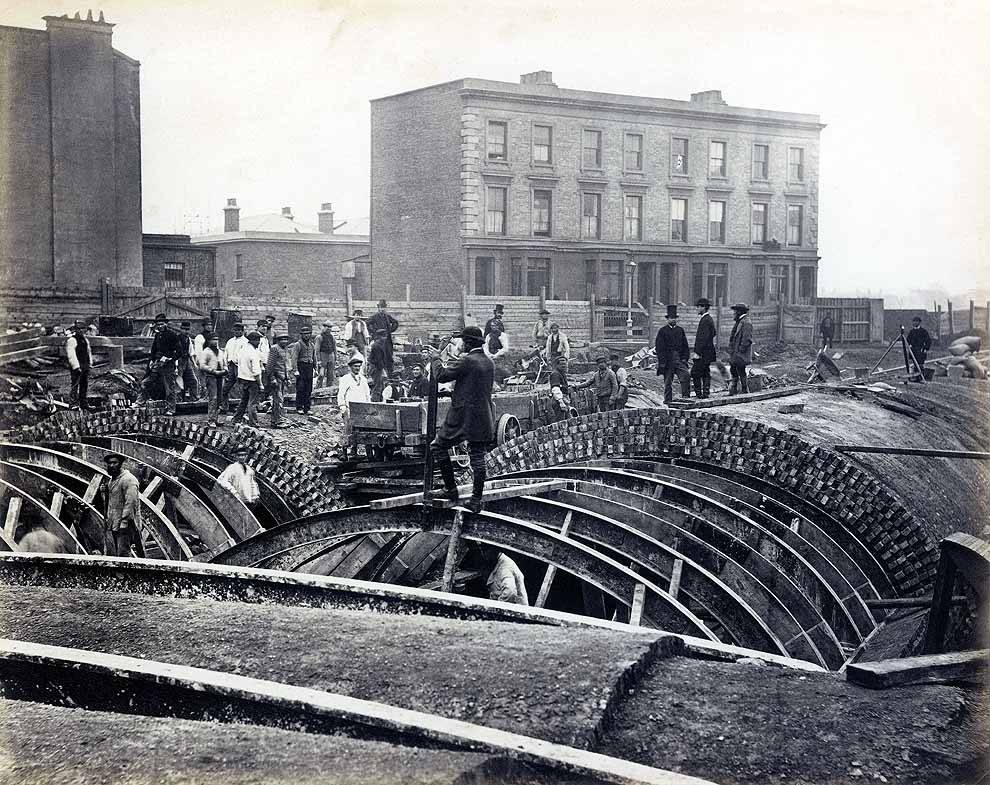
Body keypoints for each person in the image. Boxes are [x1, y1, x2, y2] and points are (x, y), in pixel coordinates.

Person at [424, 326, 494, 514]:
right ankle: (476, 500)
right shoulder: (488, 362)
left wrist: (436, 357)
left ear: (468, 343)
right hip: (483, 416)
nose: (460, 343)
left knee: (437, 446)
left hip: (463, 416)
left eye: (462, 340)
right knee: (478, 458)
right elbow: (473, 384)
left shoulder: (467, 361)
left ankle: (450, 489)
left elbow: (441, 375)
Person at [135, 313, 184, 415]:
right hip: (157, 365)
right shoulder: (157, 335)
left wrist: (170, 358)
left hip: (168, 366)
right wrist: (152, 360)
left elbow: (180, 352)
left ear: (166, 324)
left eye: (162, 324)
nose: (160, 326)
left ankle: (171, 409)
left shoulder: (172, 335)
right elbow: (153, 350)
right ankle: (140, 402)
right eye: (158, 324)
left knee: (169, 387)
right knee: (145, 383)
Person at [103, 452, 144, 558]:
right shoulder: (113, 480)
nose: (111, 465)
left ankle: (124, 574)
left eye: (114, 463)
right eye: (109, 463)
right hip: (115, 522)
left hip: (126, 523)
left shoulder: (128, 479)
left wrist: (124, 521)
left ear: (120, 464)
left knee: (123, 552)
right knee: (118, 549)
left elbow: (130, 502)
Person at [654, 305, 691, 404]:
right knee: (668, 382)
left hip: (678, 359)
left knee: (686, 376)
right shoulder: (662, 331)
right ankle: (668, 400)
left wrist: (684, 358)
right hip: (667, 361)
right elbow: (659, 348)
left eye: (674, 318)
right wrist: (662, 361)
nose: (673, 320)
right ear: (667, 319)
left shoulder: (680, 330)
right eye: (671, 318)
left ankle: (685, 397)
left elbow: (685, 346)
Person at [337, 354, 371, 459]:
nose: (357, 368)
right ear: (350, 367)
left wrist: (368, 407)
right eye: (355, 366)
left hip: (361, 409)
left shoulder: (363, 379)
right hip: (349, 409)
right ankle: (344, 452)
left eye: (359, 366)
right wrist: (342, 406)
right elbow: (341, 394)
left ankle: (355, 451)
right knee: (348, 430)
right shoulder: (345, 379)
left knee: (359, 431)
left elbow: (367, 394)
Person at [229, 330, 263, 427]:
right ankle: (254, 423)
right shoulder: (253, 353)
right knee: (253, 403)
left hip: (242, 379)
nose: (259, 342)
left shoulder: (242, 349)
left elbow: (235, 361)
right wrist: (260, 384)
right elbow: (256, 372)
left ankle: (236, 419)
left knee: (244, 401)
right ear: (253, 341)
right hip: (252, 381)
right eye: (258, 340)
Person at [691, 298, 717, 400]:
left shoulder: (705, 320)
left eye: (698, 307)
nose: (697, 309)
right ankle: (705, 393)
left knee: (695, 372)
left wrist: (698, 352)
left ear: (703, 307)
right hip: (708, 351)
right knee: (705, 371)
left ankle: (699, 394)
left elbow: (703, 338)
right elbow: (713, 333)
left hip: (703, 353)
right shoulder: (708, 319)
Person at [197, 333, 225, 426]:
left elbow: (224, 362)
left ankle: (216, 418)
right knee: (213, 398)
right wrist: (212, 371)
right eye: (213, 339)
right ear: (208, 341)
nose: (215, 341)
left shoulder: (220, 352)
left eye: (216, 339)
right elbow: (202, 365)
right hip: (211, 376)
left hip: (220, 376)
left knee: (219, 398)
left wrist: (225, 369)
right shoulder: (206, 352)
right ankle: (211, 420)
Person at [289, 324, 318, 414]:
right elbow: (294, 358)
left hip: (309, 367)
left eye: (308, 334)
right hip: (301, 367)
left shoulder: (312, 345)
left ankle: (307, 408)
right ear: (301, 335)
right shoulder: (298, 345)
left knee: (308, 388)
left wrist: (315, 368)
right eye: (305, 334)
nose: (307, 335)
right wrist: (295, 370)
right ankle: (299, 407)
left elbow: (314, 357)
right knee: (301, 388)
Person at [220, 323, 247, 414]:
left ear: (242, 331)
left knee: (242, 388)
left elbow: (244, 356)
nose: (237, 332)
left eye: (239, 330)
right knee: (226, 388)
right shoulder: (230, 341)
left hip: (240, 366)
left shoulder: (245, 342)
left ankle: (242, 408)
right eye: (235, 330)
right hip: (230, 366)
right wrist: (225, 364)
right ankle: (224, 407)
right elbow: (226, 353)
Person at [65, 320, 92, 411]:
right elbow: (71, 355)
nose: (82, 331)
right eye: (80, 329)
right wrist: (76, 367)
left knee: (84, 385)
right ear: (76, 330)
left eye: (84, 329)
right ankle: (73, 404)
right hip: (77, 367)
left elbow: (88, 352)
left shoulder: (85, 340)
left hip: (85, 366)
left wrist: (90, 363)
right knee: (75, 385)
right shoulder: (72, 340)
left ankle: (83, 403)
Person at [728, 303, 754, 395]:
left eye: (735, 311)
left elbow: (747, 339)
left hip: (740, 352)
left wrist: (740, 351)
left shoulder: (746, 322)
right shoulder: (740, 321)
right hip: (735, 351)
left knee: (741, 370)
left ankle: (744, 390)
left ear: (739, 311)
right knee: (733, 369)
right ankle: (734, 389)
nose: (734, 313)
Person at [367, 300, 399, 372]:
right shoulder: (375, 317)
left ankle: (390, 372)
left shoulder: (387, 316)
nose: (382, 309)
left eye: (383, 307)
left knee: (389, 355)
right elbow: (367, 323)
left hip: (387, 339)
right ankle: (381, 371)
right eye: (381, 307)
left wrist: (390, 330)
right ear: (378, 308)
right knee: (380, 355)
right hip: (379, 339)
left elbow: (395, 323)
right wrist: (374, 331)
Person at [267, 333, 291, 428]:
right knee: (277, 400)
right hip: (276, 378)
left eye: (286, 339)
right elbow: (269, 366)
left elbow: (285, 365)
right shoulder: (274, 349)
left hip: (282, 378)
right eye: (282, 339)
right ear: (278, 340)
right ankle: (276, 421)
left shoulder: (285, 349)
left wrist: (287, 378)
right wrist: (272, 378)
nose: (284, 341)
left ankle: (277, 419)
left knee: (280, 400)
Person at [177, 321, 199, 401]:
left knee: (193, 380)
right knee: (179, 381)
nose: (186, 331)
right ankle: (179, 400)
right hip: (178, 361)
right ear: (181, 329)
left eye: (188, 330)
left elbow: (191, 352)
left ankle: (194, 398)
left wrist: (194, 364)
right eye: (184, 329)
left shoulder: (188, 339)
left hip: (186, 361)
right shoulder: (177, 339)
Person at [316, 319, 338, 389]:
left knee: (330, 374)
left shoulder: (332, 337)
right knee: (321, 374)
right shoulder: (319, 337)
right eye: (327, 327)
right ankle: (318, 388)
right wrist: (319, 360)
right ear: (323, 327)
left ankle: (329, 388)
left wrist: (335, 358)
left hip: (331, 356)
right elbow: (317, 350)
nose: (328, 328)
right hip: (323, 356)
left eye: (330, 327)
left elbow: (335, 348)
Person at [548, 355, 571, 421]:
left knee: (568, 420)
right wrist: (561, 402)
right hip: (558, 401)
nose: (564, 366)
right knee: (561, 422)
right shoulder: (555, 374)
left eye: (565, 364)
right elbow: (555, 388)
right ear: (557, 365)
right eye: (562, 364)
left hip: (564, 400)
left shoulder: (562, 373)